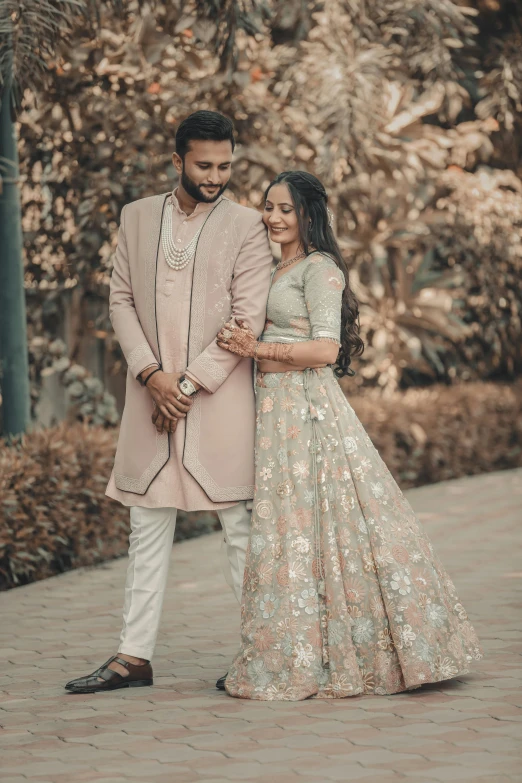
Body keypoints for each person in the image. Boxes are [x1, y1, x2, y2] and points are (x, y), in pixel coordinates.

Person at [218, 170, 482, 701]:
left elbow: (324, 350)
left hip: (308, 412)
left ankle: (359, 651)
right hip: (278, 415)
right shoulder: (281, 265)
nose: (272, 217)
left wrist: (256, 349)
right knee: (296, 532)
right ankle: (296, 649)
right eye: (268, 207)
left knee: (325, 527)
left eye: (285, 209)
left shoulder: (321, 269)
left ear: (309, 214)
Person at [64, 111, 273, 694]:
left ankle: (261, 653)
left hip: (217, 400)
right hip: (148, 394)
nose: (216, 175)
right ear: (176, 159)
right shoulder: (135, 218)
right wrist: (151, 375)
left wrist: (182, 388)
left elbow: (246, 318)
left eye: (226, 165)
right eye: (204, 165)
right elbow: (121, 300)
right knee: (146, 524)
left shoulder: (247, 225)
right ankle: (134, 657)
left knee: (239, 528)